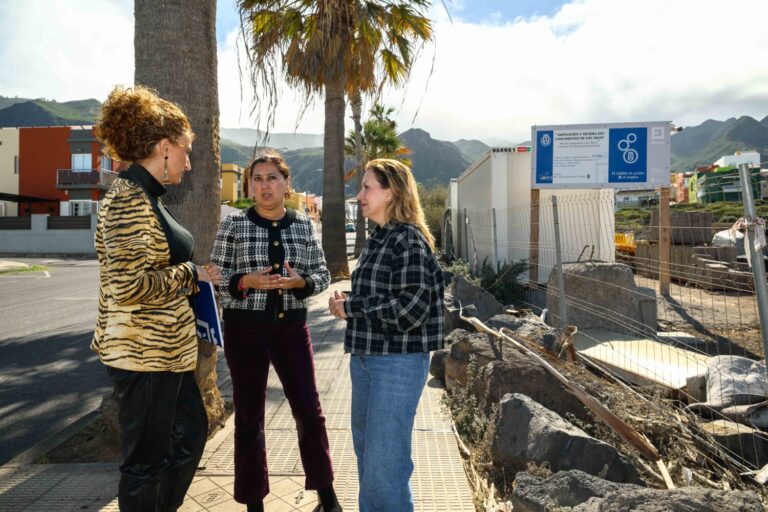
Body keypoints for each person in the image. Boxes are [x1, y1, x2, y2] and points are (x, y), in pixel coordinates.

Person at [91, 85, 222, 511]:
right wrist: (192, 273)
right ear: (164, 148)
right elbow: (130, 285)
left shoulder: (147, 197)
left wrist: (192, 276)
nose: (189, 161)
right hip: (142, 355)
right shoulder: (127, 201)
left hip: (166, 355)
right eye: (186, 150)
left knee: (189, 434)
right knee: (145, 462)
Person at [210, 150, 341, 512]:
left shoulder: (303, 224)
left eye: (272, 178)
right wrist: (244, 281)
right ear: (249, 186)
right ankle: (253, 503)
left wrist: (302, 283)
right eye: (257, 178)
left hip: (291, 330)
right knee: (249, 418)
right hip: (244, 333)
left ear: (286, 184)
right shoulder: (234, 225)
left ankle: (328, 498)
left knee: (309, 411)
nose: (264, 185)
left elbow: (322, 275)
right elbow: (216, 278)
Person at [328, 158, 445, 512]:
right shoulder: (380, 237)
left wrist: (353, 307)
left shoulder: (408, 240)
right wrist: (348, 302)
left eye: (367, 187)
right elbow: (385, 296)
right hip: (367, 359)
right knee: (370, 457)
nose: (360, 195)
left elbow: (411, 309)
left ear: (391, 192)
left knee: (384, 466)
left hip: (397, 364)